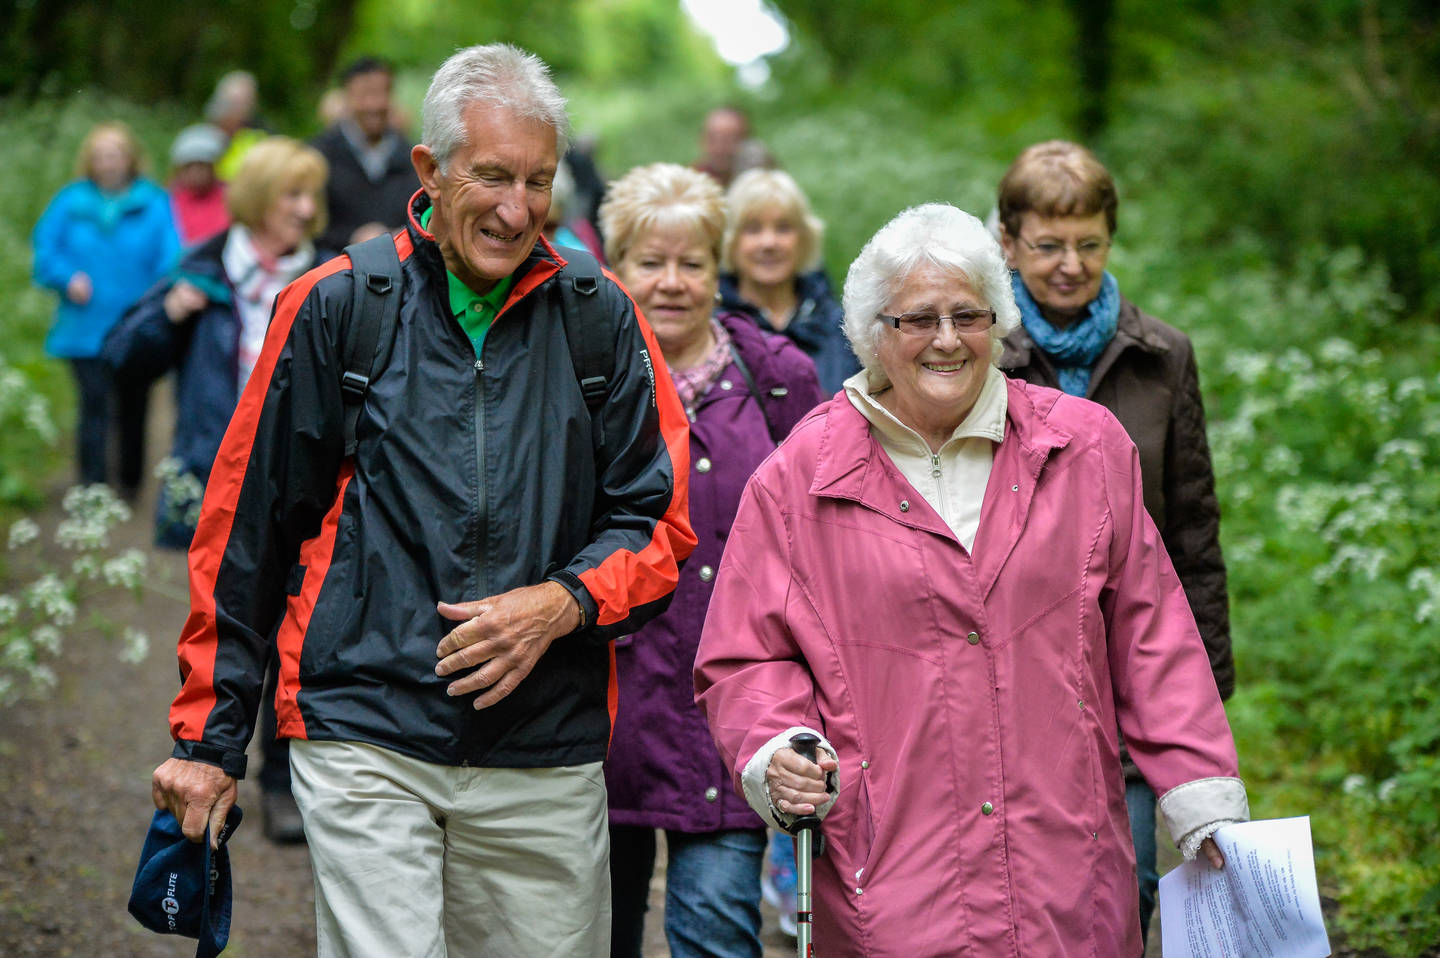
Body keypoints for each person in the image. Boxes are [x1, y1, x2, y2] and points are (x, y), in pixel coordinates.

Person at [149, 43, 695, 958]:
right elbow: (246, 532)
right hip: (362, 724)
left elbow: (660, 527)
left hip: (544, 747)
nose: (517, 209)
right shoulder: (336, 305)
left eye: (539, 181)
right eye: (490, 177)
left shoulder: (602, 317)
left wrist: (560, 604)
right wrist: (211, 743)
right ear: (430, 171)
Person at [694, 203, 1249, 957]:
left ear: (999, 320)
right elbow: (747, 655)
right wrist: (778, 747)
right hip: (891, 868)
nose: (948, 340)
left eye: (969, 315)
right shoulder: (801, 476)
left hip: (1067, 861)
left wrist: (1200, 796)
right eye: (919, 318)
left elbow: (1153, 636)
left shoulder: (1083, 450)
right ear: (873, 332)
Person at [992, 139, 1234, 944]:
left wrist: (1205, 687)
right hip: (1018, 659)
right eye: (1048, 245)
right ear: (1007, 241)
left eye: (1089, 243)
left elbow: (1192, 527)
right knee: (1018, 883)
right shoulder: (978, 354)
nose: (1070, 264)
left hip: (1127, 664)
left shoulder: (1161, 359)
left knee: (1123, 880)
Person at [599, 163, 822, 958]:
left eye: (691, 262)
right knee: (592, 942)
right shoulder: (574, 375)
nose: (671, 282)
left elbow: (820, 547)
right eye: (649, 262)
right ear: (615, 266)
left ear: (716, 268)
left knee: (719, 935)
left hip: (731, 721)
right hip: (599, 721)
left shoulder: (780, 380)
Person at [31, 121, 180, 497]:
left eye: (114, 154)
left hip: (136, 327)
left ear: (130, 158)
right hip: (83, 325)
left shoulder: (155, 202)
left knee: (134, 405)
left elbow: (172, 257)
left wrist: (155, 301)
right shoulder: (69, 201)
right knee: (93, 404)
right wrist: (67, 278)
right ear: (89, 161)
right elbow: (46, 251)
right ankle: (91, 485)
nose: (107, 163)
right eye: (99, 156)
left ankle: (130, 483)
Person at [719, 168, 859, 396]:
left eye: (783, 228)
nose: (769, 242)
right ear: (730, 241)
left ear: (804, 239)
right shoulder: (711, 328)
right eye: (753, 229)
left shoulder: (843, 328)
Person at [310, 56, 419, 250]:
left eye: (381, 93)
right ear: (346, 97)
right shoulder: (319, 155)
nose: (374, 105)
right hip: (333, 261)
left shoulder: (413, 159)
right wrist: (352, 238)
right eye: (364, 95)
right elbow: (310, 226)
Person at [166, 123, 230, 246]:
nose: (195, 173)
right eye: (189, 166)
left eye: (201, 166)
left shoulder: (230, 197)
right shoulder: (169, 200)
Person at [206, 70, 269, 182]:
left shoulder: (260, 135)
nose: (238, 109)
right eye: (231, 103)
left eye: (243, 103)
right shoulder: (204, 135)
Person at [693, 105, 750, 188]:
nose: (719, 148)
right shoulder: (692, 181)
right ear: (702, 140)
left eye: (729, 140)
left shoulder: (758, 182)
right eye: (712, 139)